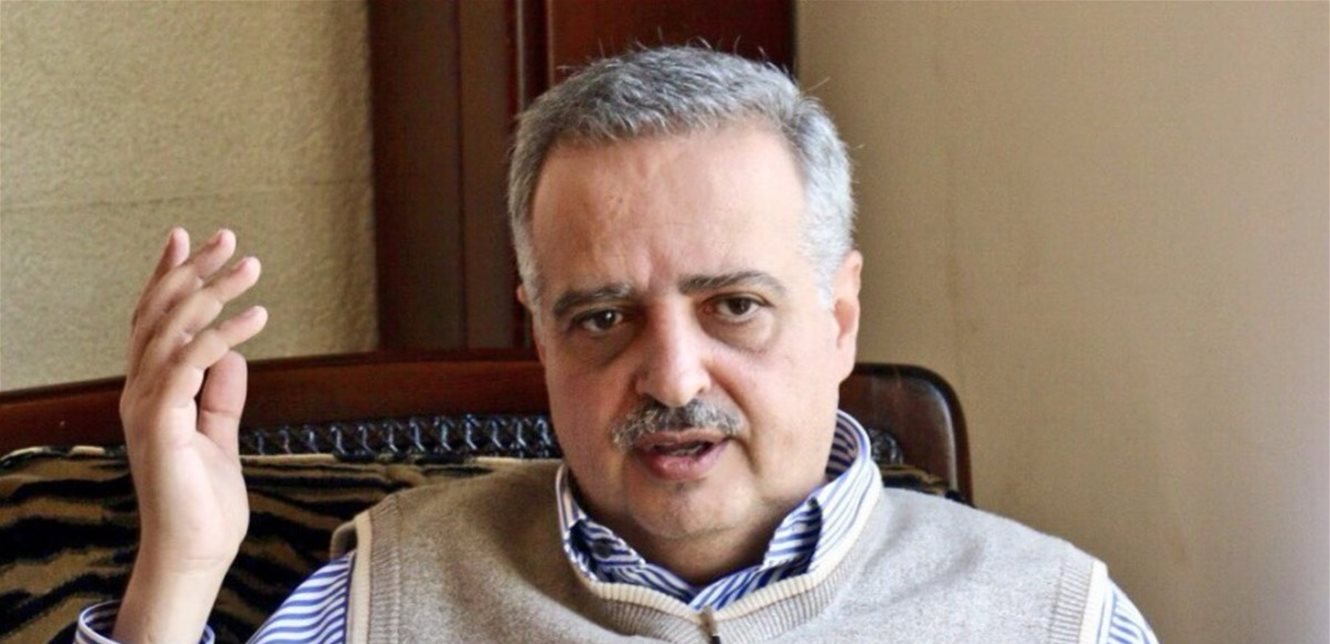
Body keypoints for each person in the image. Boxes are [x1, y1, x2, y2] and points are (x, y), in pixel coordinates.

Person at [76, 47, 1157, 643]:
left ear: (839, 317)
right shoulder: (387, 593)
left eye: (734, 305)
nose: (673, 378)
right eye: (602, 318)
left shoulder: (1054, 615)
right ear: (540, 337)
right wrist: (180, 568)